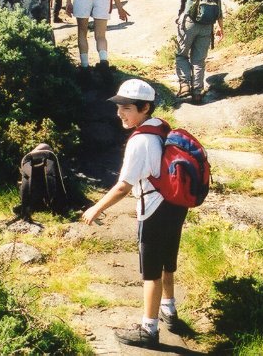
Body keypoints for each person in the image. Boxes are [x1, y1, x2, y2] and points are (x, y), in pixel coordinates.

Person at [82, 79, 189, 348]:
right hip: (175, 203)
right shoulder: (160, 125)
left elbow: (123, 186)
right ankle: (169, 310)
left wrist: (96, 207)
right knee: (167, 261)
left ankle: (148, 330)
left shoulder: (139, 141)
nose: (120, 113)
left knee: (150, 272)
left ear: (145, 108)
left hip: (154, 208)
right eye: (118, 107)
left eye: (127, 108)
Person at [129, 0, 223, 104]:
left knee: (181, 55)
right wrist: (220, 27)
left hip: (188, 23)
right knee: (199, 60)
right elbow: (218, 6)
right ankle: (197, 92)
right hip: (207, 25)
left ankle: (185, 86)